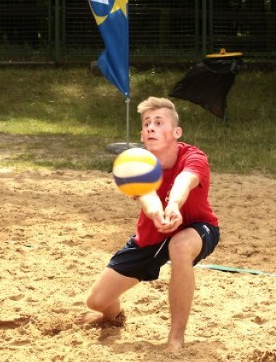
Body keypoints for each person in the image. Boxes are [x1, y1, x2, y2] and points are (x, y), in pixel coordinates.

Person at [79, 97, 220, 351]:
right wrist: (158, 214)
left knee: (180, 246)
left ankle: (176, 337)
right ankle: (114, 316)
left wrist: (174, 206)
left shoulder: (193, 156)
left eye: (158, 122)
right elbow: (147, 196)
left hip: (198, 227)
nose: (151, 127)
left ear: (176, 132)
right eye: (147, 124)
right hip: (152, 234)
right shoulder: (136, 162)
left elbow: (184, 182)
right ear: (142, 135)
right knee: (97, 302)